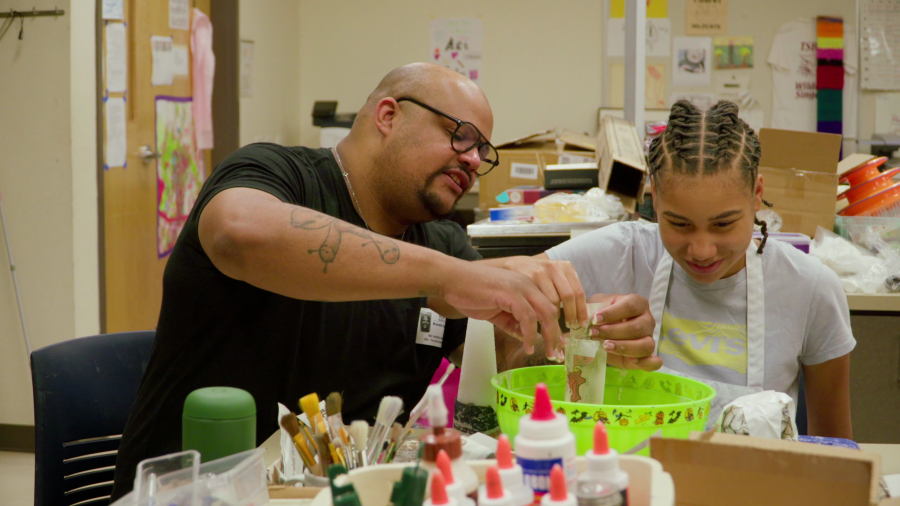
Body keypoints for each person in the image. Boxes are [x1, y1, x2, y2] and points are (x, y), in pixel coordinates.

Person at [110, 63, 657, 499]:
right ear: (389, 115)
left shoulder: (441, 241)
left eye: (482, 152)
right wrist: (457, 279)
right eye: (460, 135)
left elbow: (500, 357)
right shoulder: (279, 174)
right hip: (201, 493)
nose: (472, 160)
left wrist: (582, 335)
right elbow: (238, 232)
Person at [540, 100, 855, 437]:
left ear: (756, 195)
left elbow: (833, 447)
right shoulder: (619, 254)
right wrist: (577, 333)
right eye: (679, 224)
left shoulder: (810, 288)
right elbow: (506, 295)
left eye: (723, 224)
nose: (701, 251)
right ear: (656, 198)